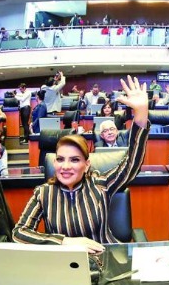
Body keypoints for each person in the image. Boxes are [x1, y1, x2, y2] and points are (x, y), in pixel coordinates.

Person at [12, 75, 149, 252]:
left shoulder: (100, 184)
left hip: (103, 258)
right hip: (64, 263)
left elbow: (132, 164)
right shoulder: (44, 193)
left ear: (87, 165)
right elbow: (19, 233)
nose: (65, 166)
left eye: (75, 160)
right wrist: (64, 242)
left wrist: (141, 114)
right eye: (60, 159)